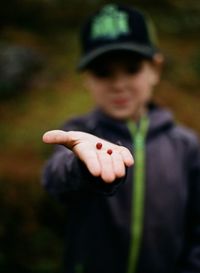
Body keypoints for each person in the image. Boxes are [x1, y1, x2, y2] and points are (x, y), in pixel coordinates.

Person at [42, 3, 200, 273]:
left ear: (155, 69)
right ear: (87, 79)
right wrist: (82, 167)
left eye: (131, 68)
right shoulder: (77, 132)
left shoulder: (186, 145)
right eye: (103, 72)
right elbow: (55, 177)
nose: (118, 83)